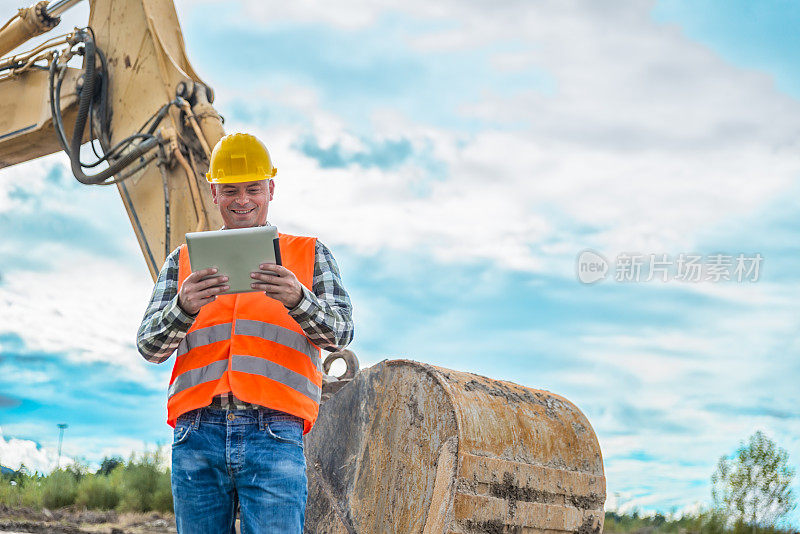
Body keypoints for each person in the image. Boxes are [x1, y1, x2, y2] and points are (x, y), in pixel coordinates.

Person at [136, 133, 354, 533]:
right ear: (214, 193)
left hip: (274, 432)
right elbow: (150, 346)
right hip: (197, 433)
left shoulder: (308, 254)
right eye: (230, 190)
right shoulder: (182, 262)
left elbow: (339, 334)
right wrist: (183, 306)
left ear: (270, 188)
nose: (242, 200)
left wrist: (297, 298)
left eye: (253, 188)